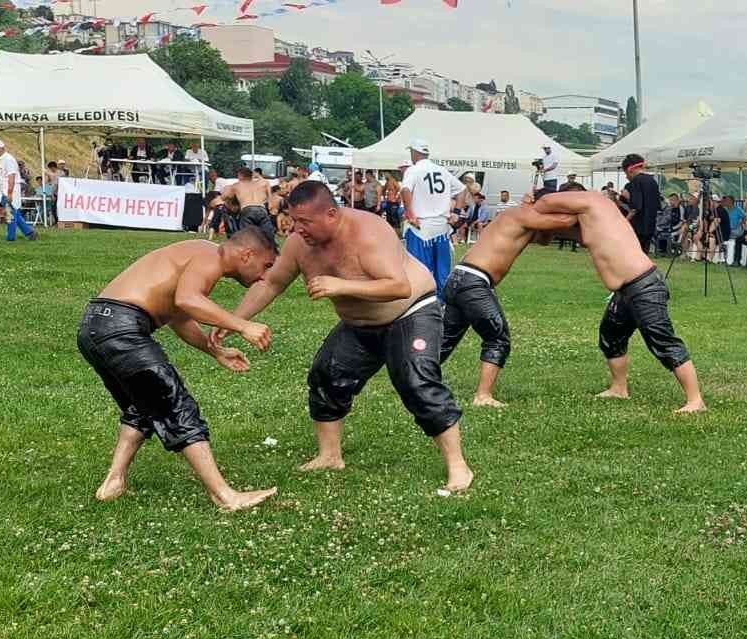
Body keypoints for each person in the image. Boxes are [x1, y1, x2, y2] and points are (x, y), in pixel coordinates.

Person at [224, 180, 474, 493]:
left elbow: (398, 286)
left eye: (305, 222)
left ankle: (458, 466)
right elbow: (271, 283)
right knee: (326, 375)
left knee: (416, 383)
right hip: (358, 325)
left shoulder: (369, 231)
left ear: (331, 214)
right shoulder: (299, 244)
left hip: (412, 313)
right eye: (293, 219)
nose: (296, 228)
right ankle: (330, 456)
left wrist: (341, 286)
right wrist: (234, 320)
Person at [77, 228, 279, 512]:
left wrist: (215, 351)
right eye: (266, 265)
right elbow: (189, 300)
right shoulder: (211, 255)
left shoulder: (196, 253)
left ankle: (114, 481)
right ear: (247, 254)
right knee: (175, 404)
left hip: (94, 325)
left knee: (143, 404)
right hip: (121, 329)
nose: (264, 276)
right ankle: (225, 496)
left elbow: (180, 316)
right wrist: (243, 325)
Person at [532, 189, 706, 414]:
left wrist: (529, 207)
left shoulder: (593, 200)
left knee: (661, 340)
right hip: (625, 290)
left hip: (644, 286)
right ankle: (618, 388)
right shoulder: (588, 219)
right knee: (611, 335)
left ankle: (695, 400)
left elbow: (545, 201)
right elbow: (545, 238)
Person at [439, 198, 578, 407]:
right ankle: (483, 396)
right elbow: (565, 223)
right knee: (497, 337)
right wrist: (587, 207)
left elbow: (544, 239)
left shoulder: (525, 220)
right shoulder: (520, 213)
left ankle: (412, 380)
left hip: (459, 279)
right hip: (474, 282)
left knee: (445, 339)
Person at [401, 138, 465, 287]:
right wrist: (456, 212)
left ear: (414, 153)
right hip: (442, 227)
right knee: (442, 271)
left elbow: (405, 190)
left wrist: (410, 213)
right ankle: (442, 304)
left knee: (420, 271)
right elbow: (462, 190)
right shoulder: (441, 170)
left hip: (421, 227)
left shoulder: (413, 169)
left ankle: (424, 303)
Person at [0, 139, 37, 241]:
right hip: (5, 189)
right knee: (14, 212)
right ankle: (29, 232)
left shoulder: (8, 159)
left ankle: (10, 237)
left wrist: (10, 193)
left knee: (10, 213)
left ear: (1, 148)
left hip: (9, 189)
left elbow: (11, 176)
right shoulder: (3, 159)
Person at [213, 166, 274, 240]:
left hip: (247, 209)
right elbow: (269, 196)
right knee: (268, 238)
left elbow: (223, 197)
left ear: (240, 175)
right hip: (262, 209)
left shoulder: (237, 185)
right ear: (251, 176)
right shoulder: (259, 184)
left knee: (247, 238)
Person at [621, 154, 662, 254]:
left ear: (630, 169)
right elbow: (657, 205)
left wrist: (624, 222)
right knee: (644, 255)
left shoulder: (636, 181)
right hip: (650, 226)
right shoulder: (652, 181)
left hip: (638, 226)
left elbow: (635, 207)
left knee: (633, 255)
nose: (626, 177)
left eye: (626, 173)